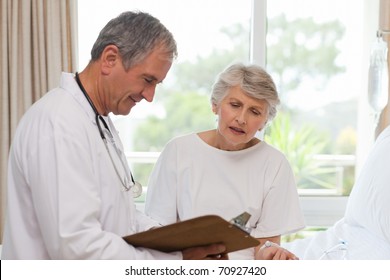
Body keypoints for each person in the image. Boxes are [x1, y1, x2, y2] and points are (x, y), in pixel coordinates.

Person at [1, 11, 227, 260]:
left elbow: (122, 217)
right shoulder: (59, 123)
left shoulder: (99, 122)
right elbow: (77, 247)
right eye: (148, 80)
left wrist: (181, 242)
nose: (150, 96)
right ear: (109, 59)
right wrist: (175, 261)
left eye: (156, 84)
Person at [145, 63, 306, 260]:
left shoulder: (275, 164)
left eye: (255, 112)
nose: (241, 119)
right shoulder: (178, 151)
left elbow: (265, 243)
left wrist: (270, 257)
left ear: (264, 121)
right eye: (235, 105)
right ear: (215, 105)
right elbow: (159, 233)